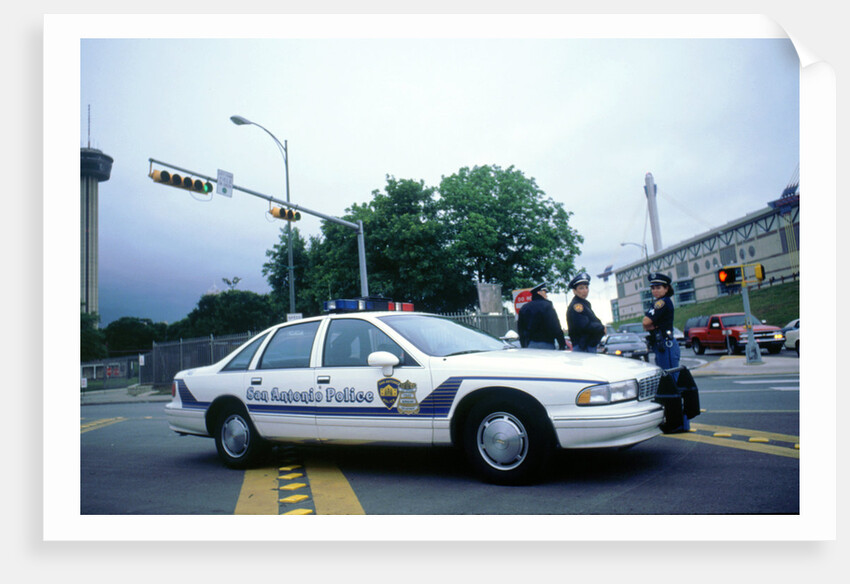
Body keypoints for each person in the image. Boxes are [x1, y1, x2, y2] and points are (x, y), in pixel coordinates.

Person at [642, 272, 681, 372]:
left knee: (669, 377)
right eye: (653, 288)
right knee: (664, 377)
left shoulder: (662, 302)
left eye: (658, 287)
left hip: (665, 344)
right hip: (660, 344)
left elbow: (646, 322)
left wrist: (652, 326)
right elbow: (645, 325)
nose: (655, 290)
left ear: (666, 288)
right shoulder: (657, 302)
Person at [517, 283, 567, 350]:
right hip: (547, 344)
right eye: (545, 292)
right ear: (539, 292)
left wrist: (523, 345)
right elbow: (555, 326)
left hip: (530, 345)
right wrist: (562, 344)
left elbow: (521, 329)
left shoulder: (524, 308)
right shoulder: (547, 305)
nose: (546, 295)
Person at [566, 272, 605, 353]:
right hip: (583, 346)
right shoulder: (577, 306)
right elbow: (584, 325)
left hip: (586, 345)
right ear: (574, 291)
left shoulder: (584, 304)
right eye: (581, 288)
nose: (585, 291)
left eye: (586, 287)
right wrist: (601, 328)